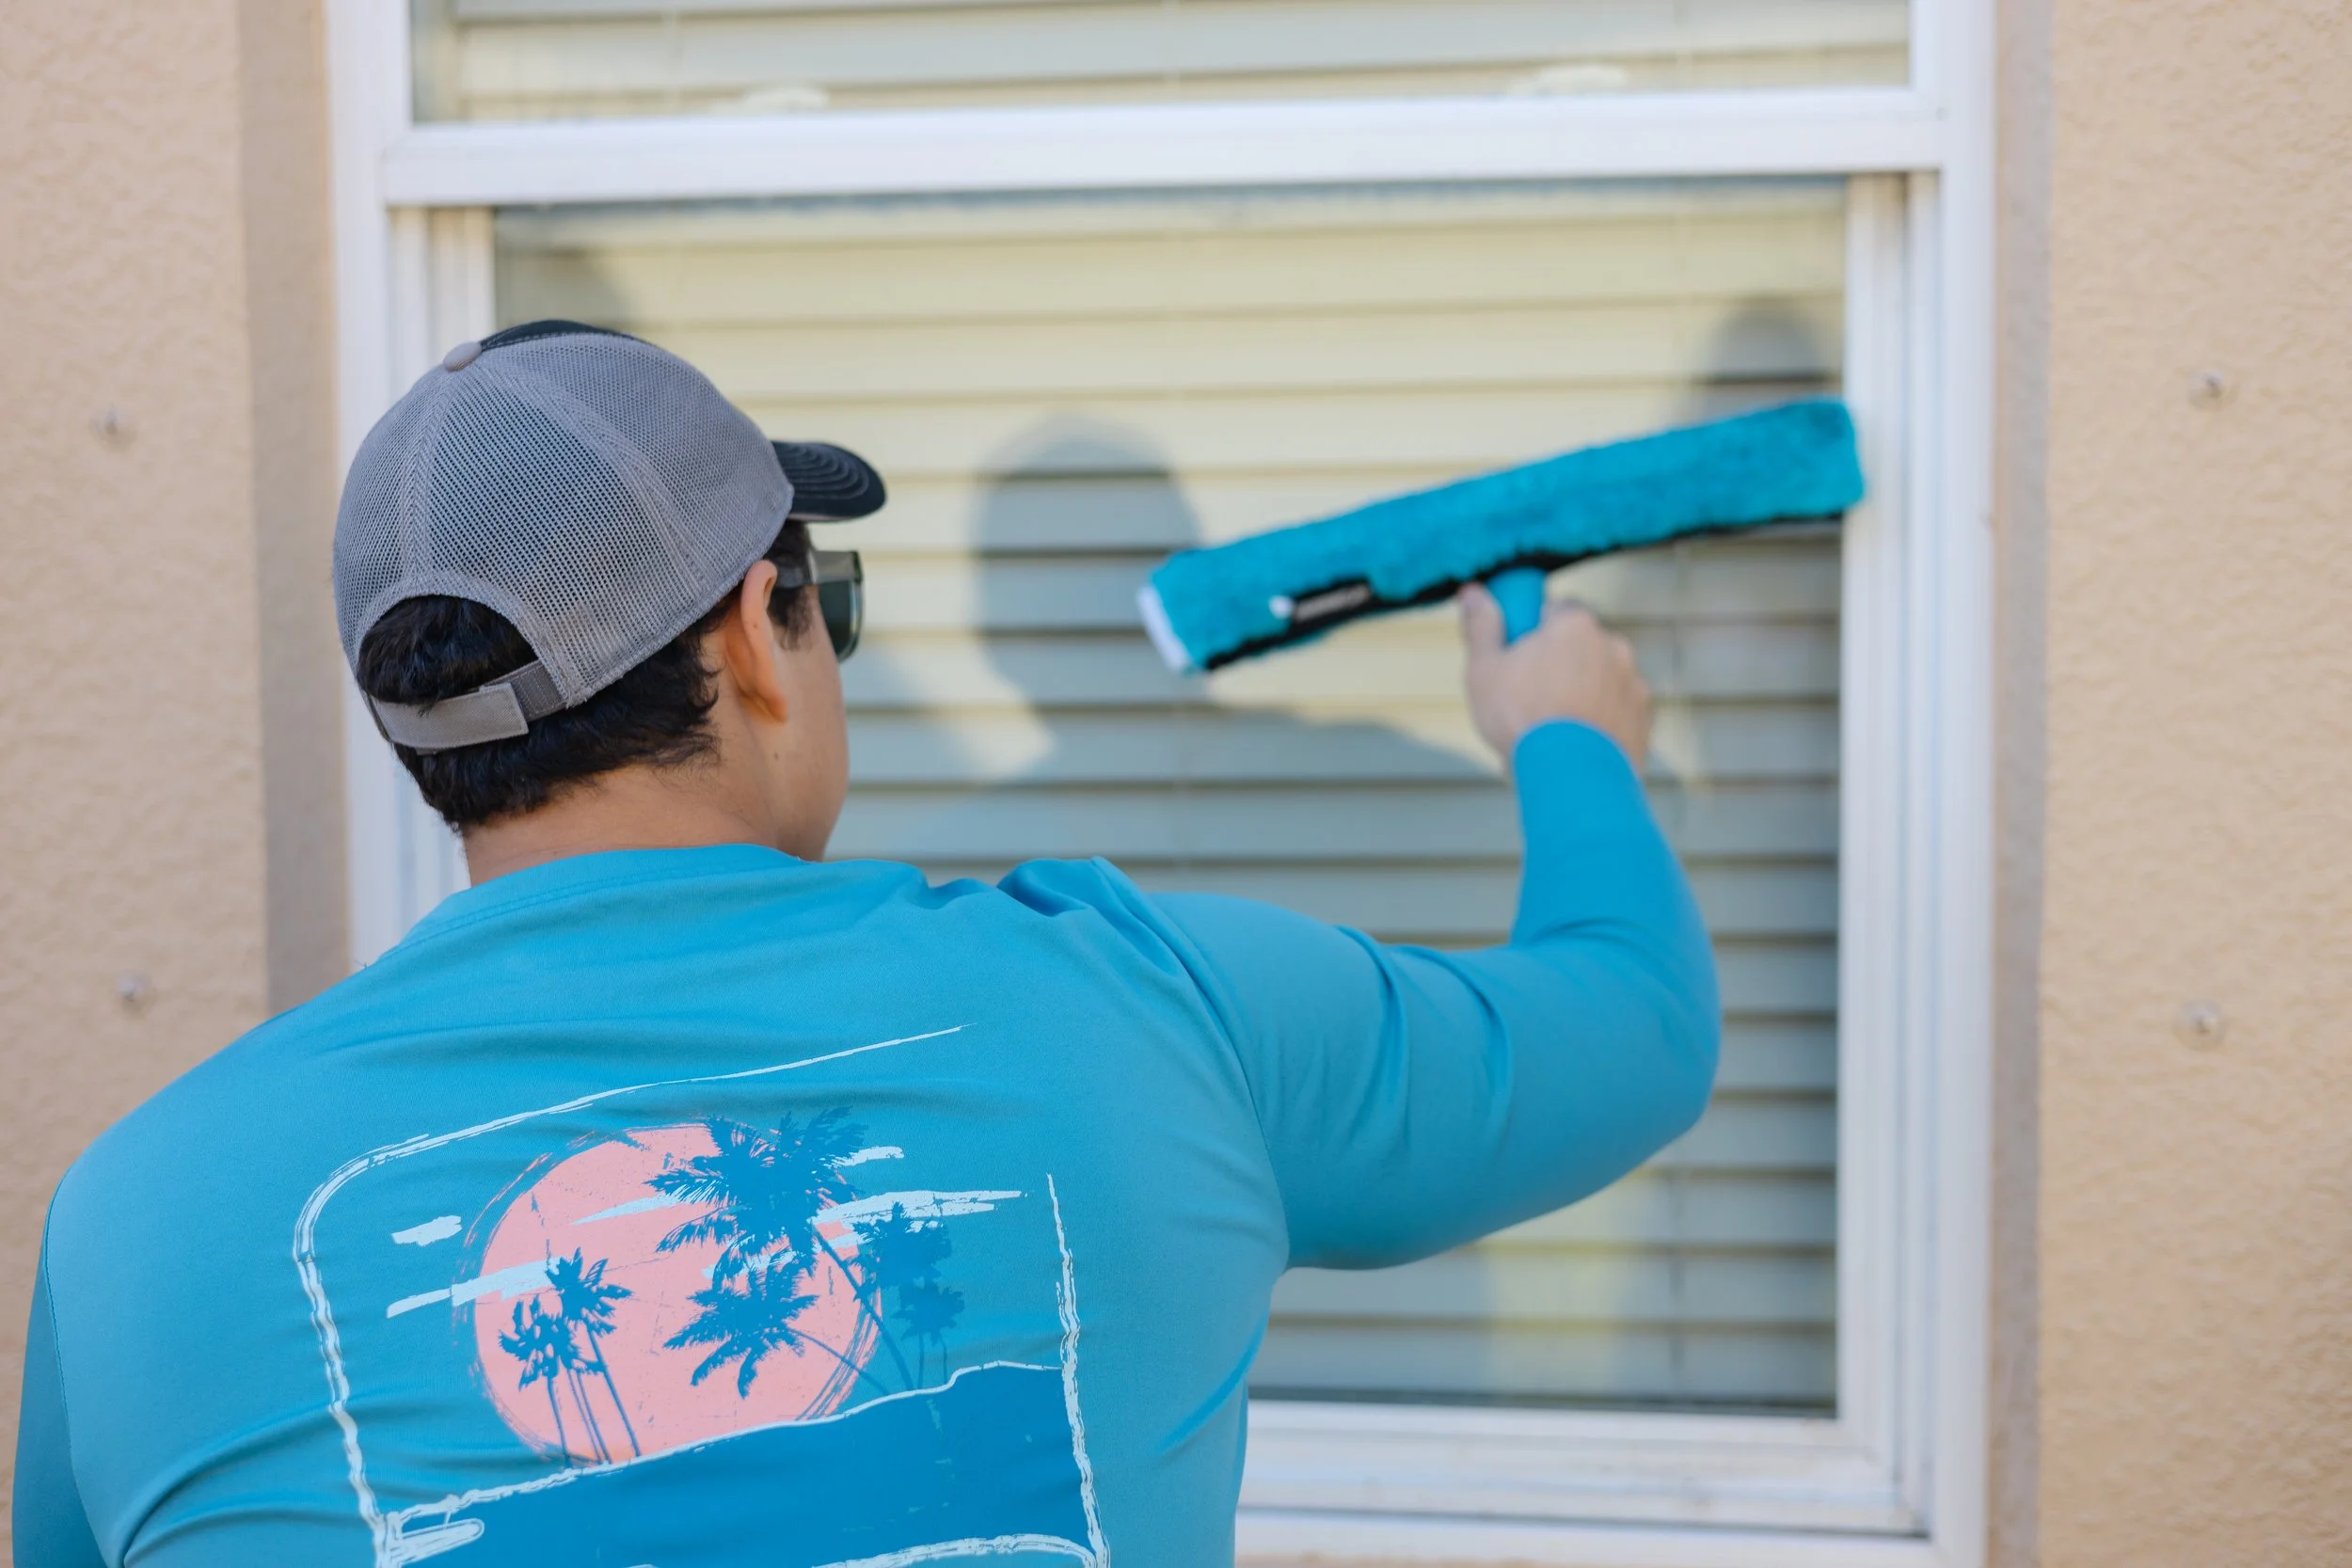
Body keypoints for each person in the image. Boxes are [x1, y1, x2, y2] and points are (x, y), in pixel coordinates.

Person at [13, 323, 1718, 1568]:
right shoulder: (1144, 1008)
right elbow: (1631, 1028)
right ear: (762, 634)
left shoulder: (135, 1215)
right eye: (824, 600)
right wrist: (1566, 734)